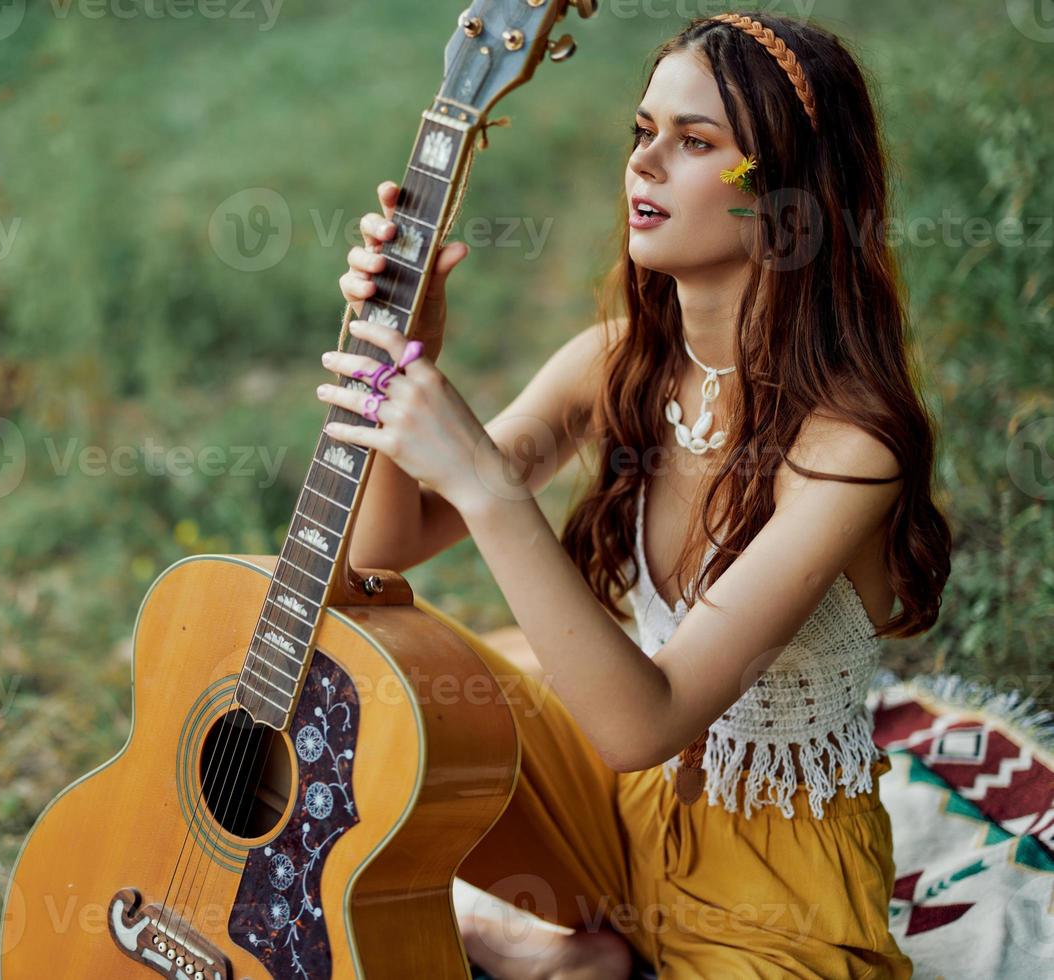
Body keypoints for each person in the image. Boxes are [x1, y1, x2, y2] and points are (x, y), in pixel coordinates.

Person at [315, 11, 951, 979]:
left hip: (777, 897)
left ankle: (545, 952)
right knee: (385, 698)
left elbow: (641, 725)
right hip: (626, 823)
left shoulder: (846, 447)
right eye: (641, 131)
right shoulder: (616, 364)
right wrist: (411, 355)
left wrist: (489, 487)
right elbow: (378, 549)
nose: (644, 164)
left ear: (787, 200)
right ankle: (559, 946)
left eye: (696, 143)